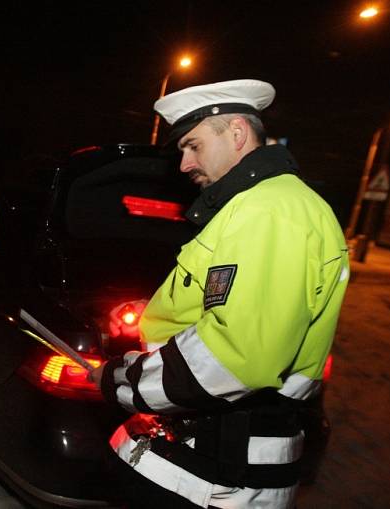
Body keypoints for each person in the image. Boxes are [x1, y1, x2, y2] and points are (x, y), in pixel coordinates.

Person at [92, 80, 349, 508]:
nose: (183, 164)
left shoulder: (269, 211)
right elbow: (228, 308)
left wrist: (120, 379)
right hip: (201, 455)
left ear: (236, 134)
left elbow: (235, 354)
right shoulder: (261, 205)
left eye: (193, 146)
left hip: (217, 472)